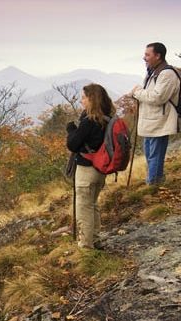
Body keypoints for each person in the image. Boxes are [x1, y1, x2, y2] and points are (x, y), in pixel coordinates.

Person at [66, 83, 116, 249]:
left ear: (92, 99)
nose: (82, 101)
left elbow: (73, 144)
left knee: (83, 208)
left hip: (87, 169)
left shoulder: (89, 121)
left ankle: (86, 246)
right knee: (92, 205)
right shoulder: (108, 118)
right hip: (101, 169)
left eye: (84, 98)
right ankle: (95, 239)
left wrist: (71, 129)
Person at [129, 42, 179, 185]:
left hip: (159, 121)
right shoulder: (154, 72)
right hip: (151, 121)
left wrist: (137, 92)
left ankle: (154, 185)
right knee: (150, 155)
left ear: (158, 56)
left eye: (147, 54)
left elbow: (157, 97)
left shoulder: (167, 74)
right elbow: (151, 94)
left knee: (155, 155)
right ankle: (154, 181)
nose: (144, 58)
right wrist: (138, 93)